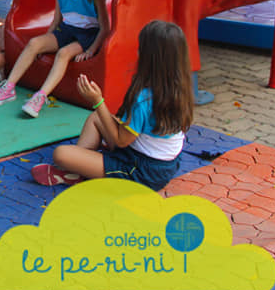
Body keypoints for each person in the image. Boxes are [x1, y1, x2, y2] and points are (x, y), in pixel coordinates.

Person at [32, 20, 194, 190]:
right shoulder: (181, 87)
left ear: (149, 57)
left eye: (140, 48)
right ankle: (82, 166)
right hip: (165, 165)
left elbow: (121, 140)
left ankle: (78, 171)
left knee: (61, 154)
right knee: (96, 119)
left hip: (142, 171)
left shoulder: (144, 98)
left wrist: (97, 101)